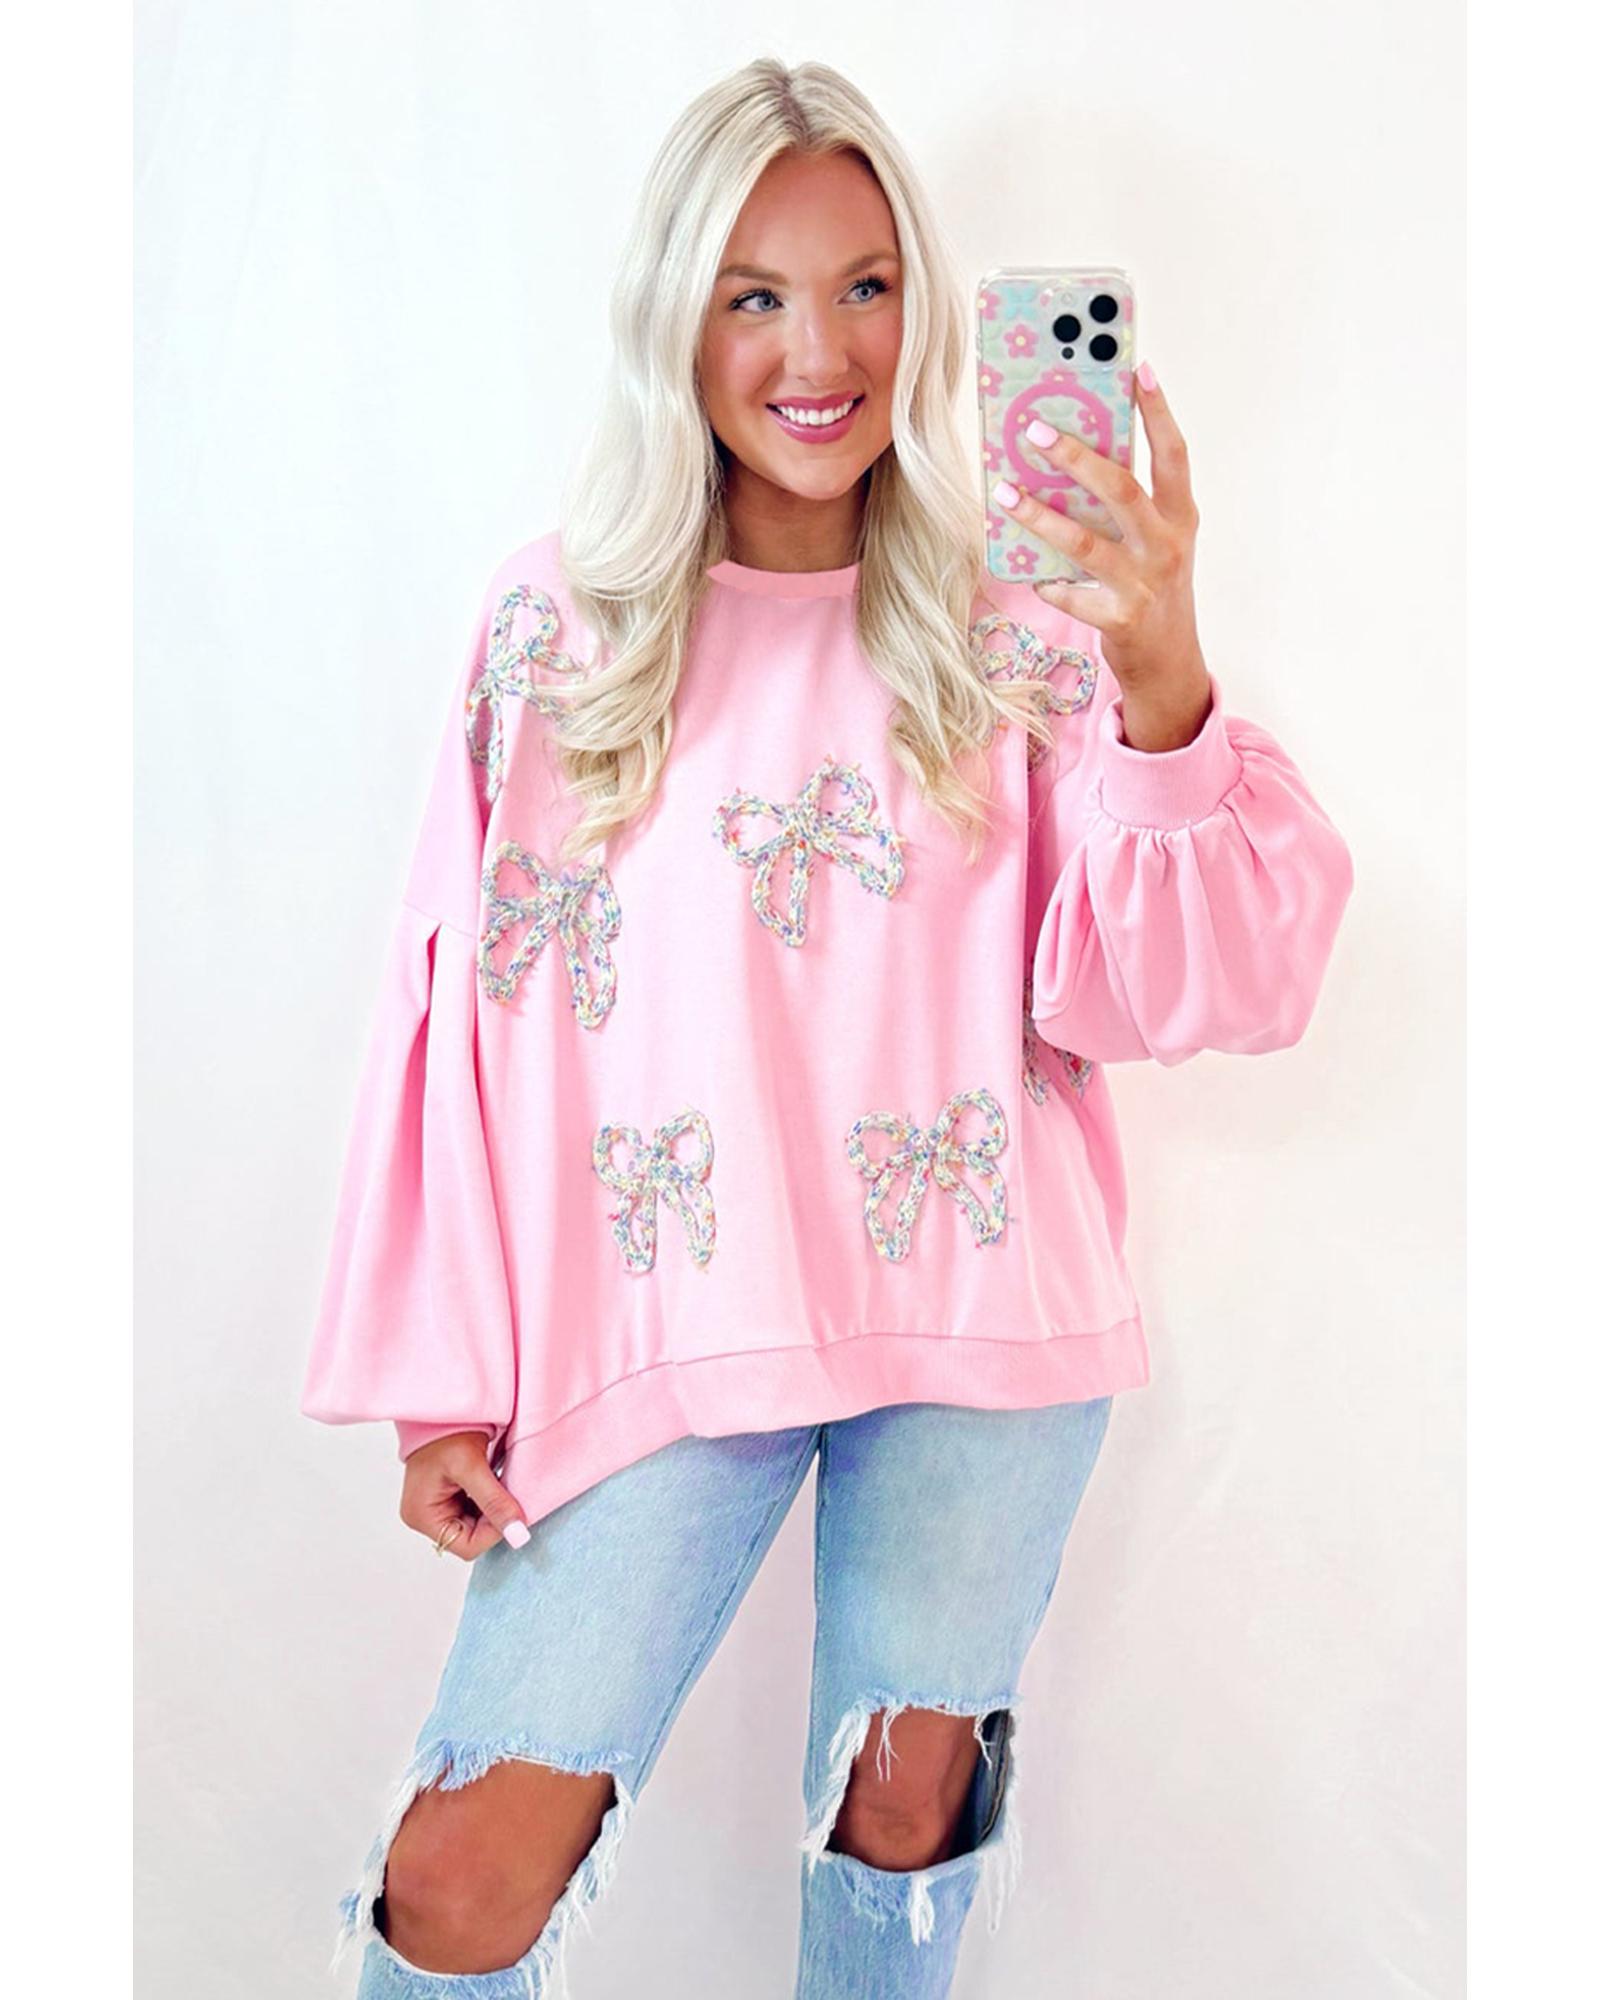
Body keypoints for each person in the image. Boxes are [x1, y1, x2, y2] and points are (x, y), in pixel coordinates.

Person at [299, 55, 1355, 2000]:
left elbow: (1193, 989)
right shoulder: (557, 631)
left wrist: (1157, 659)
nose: (818, 351)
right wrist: (440, 1367)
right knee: (459, 1877)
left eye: (866, 286)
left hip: (979, 1318)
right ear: (676, 316)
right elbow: (452, 1016)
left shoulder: (1017, 619)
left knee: (899, 1816)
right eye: (755, 294)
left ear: (924, 306)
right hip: (655, 1326)